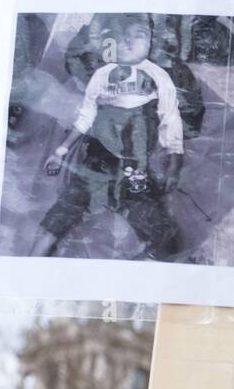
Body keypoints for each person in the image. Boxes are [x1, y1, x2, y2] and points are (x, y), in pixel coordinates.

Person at [30, 14, 184, 261]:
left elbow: (171, 120)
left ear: (150, 42)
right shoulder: (103, 75)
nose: (131, 41)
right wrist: (59, 153)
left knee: (167, 240)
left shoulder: (159, 78)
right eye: (127, 36)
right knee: (54, 225)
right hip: (98, 160)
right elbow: (86, 116)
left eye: (141, 35)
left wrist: (174, 165)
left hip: (135, 166)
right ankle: (27, 272)